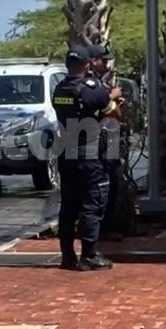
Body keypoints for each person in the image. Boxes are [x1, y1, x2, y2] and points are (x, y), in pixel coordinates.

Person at [52, 45, 124, 271]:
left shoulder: (59, 89)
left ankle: (67, 256)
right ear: (87, 64)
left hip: (66, 152)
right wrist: (113, 98)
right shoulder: (93, 89)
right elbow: (114, 113)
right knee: (92, 205)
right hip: (90, 155)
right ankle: (89, 256)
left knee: (68, 206)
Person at [87, 44, 124, 240]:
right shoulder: (88, 83)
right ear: (93, 61)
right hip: (96, 141)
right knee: (101, 186)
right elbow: (93, 106)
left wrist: (116, 104)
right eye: (103, 60)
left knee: (112, 183)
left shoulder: (101, 82)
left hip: (109, 137)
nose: (107, 65)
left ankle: (107, 224)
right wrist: (112, 97)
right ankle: (101, 228)